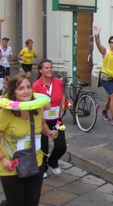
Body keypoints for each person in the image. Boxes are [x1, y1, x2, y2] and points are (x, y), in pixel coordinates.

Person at [0, 74, 58, 206]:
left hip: (34, 161)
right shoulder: (5, 113)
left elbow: (41, 124)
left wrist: (49, 132)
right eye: (21, 88)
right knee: (16, 203)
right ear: (14, 93)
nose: (26, 91)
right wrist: (3, 159)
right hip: (11, 164)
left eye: (28, 87)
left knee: (32, 202)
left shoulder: (37, 108)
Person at [33, 59, 67, 178]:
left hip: (57, 119)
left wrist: (62, 105)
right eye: (46, 68)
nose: (49, 70)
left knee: (61, 144)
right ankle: (44, 168)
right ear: (40, 70)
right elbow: (33, 105)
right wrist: (42, 108)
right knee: (43, 147)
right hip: (42, 121)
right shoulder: (36, 86)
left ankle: (53, 161)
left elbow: (62, 94)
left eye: (51, 67)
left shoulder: (58, 82)